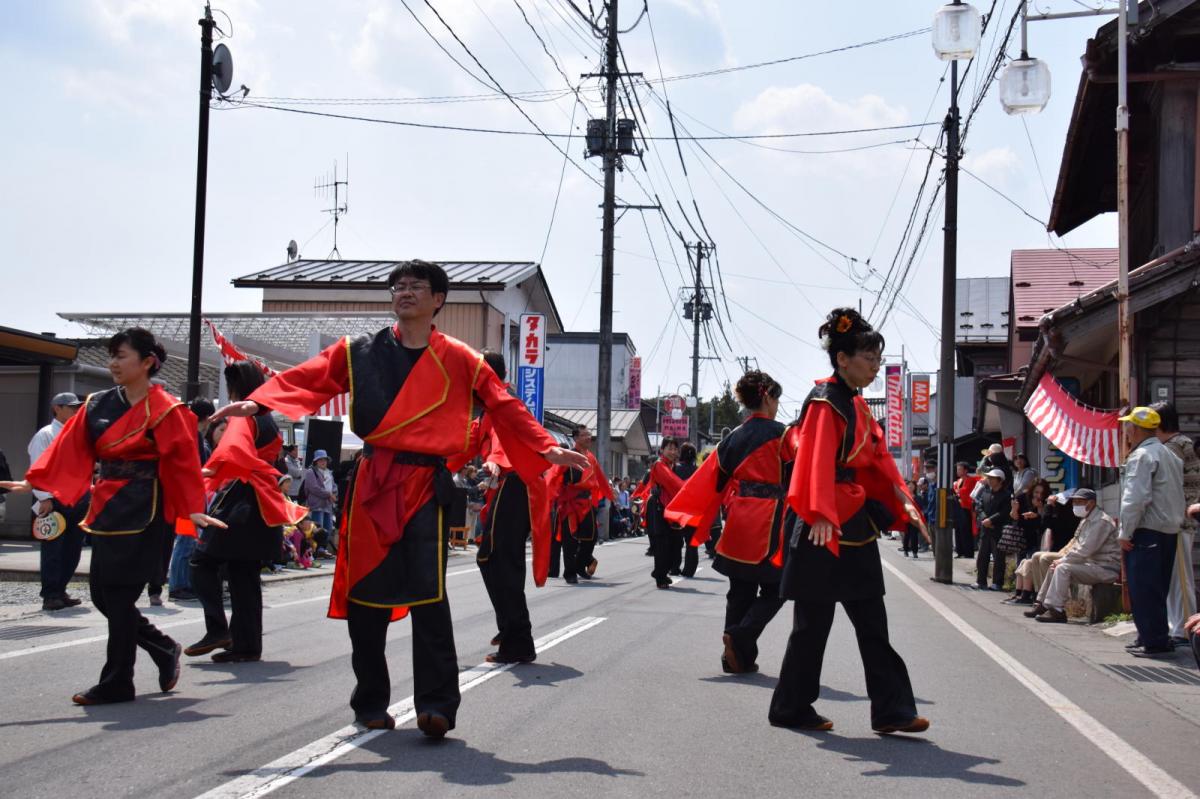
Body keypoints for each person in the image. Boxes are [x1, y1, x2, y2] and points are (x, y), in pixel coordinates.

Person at [207, 260, 586, 736]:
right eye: (398, 286)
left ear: (438, 300)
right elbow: (307, 379)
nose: (404, 292)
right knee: (366, 598)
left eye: (416, 286)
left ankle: (438, 704)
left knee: (430, 596)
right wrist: (259, 401)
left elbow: (503, 401)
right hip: (371, 483)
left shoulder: (463, 359)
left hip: (425, 486)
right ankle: (369, 702)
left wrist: (543, 445)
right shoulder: (358, 352)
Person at [1, 328, 224, 705]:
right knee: (103, 597)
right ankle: (162, 646)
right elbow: (68, 451)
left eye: (121, 356)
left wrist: (193, 510)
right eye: (112, 356)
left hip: (147, 508)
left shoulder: (167, 408)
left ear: (147, 361)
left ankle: (118, 681)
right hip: (106, 505)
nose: (113, 363)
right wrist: (38, 483)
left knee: (120, 597)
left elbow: (183, 463)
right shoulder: (97, 404)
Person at [769, 308, 929, 734]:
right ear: (842, 359)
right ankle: (790, 707)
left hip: (851, 520)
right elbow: (814, 457)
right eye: (868, 357)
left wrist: (902, 498)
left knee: (872, 621)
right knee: (812, 626)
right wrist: (820, 510)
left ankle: (892, 710)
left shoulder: (855, 403)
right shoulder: (826, 402)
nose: (876, 365)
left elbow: (878, 462)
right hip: (823, 523)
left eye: (878, 358)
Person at [666, 370, 788, 675]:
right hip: (770, 517)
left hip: (738, 518)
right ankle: (740, 637)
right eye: (776, 398)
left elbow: (709, 480)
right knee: (778, 589)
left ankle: (736, 659)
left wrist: (685, 511)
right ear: (768, 396)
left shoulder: (732, 437)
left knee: (740, 591)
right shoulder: (784, 434)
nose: (777, 404)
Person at [185, 361, 308, 663]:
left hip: (243, 498)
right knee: (244, 575)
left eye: (232, 384)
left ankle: (218, 628)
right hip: (262, 501)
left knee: (202, 560)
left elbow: (232, 452)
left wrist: (203, 471)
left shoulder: (244, 414)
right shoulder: (268, 418)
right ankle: (246, 645)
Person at [447, 349, 549, 663]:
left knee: (502, 561)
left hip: (516, 484)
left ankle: (517, 638)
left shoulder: (504, 402)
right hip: (506, 488)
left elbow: (504, 444)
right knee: (490, 559)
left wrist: (493, 463)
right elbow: (465, 446)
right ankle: (511, 628)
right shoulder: (487, 411)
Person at [1117, 406, 1186, 658]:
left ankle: (1153, 641)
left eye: (1127, 426)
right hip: (1169, 529)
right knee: (1158, 587)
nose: (1125, 430)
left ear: (1134, 429)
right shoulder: (1170, 455)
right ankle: (1152, 636)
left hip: (1147, 529)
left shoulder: (1141, 456)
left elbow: (1136, 498)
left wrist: (1125, 531)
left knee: (1143, 587)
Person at [1019, 489, 1119, 623]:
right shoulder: (1086, 520)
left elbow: (1085, 550)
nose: (1075, 505)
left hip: (1105, 568)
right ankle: (1042, 603)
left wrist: (1062, 560)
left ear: (1091, 503)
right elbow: (1075, 542)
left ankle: (1057, 610)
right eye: (1074, 502)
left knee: (1062, 567)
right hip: (1091, 565)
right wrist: (1060, 559)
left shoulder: (1101, 521)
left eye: (1079, 502)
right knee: (1054, 566)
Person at [28, 392, 88, 611]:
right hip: (54, 499)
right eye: (70, 407)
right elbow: (37, 468)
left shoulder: (76, 434)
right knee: (54, 548)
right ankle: (50, 593)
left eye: (77, 408)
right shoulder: (45, 435)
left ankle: (61, 589)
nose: (75, 411)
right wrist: (44, 497)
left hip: (78, 497)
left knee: (73, 548)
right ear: (57, 408)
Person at [1151, 401, 1199, 647]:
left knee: (1180, 577)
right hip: (1174, 520)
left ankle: (1185, 628)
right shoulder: (1173, 444)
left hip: (1179, 521)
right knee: (1173, 577)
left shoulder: (1176, 445)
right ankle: (1177, 625)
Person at [548, 425, 613, 585]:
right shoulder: (567, 456)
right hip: (569, 502)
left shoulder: (591, 457)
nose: (588, 437)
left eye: (589, 434)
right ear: (576, 438)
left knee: (591, 537)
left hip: (586, 503)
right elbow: (554, 476)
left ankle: (578, 565)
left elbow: (600, 477)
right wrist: (549, 497)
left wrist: (610, 493)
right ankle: (569, 573)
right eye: (584, 435)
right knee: (569, 540)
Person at [1009, 490, 1079, 605]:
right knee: (1026, 561)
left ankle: (1035, 596)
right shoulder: (1061, 517)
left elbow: (1047, 523)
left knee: (1035, 559)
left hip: (1062, 553)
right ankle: (1027, 594)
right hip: (1058, 551)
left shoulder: (1066, 519)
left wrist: (1047, 508)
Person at [645, 438, 685, 589]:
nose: (673, 451)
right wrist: (689, 489)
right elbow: (673, 483)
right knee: (663, 544)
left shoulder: (673, 465)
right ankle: (660, 577)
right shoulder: (659, 465)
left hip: (671, 509)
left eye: (675, 449)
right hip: (659, 508)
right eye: (669, 448)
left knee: (675, 544)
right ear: (662, 450)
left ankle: (659, 572)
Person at [973, 469, 1012, 591]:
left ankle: (997, 583)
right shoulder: (985, 492)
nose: (989, 480)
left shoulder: (1006, 495)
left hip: (998, 529)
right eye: (989, 477)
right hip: (986, 529)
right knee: (982, 556)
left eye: (992, 478)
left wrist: (991, 520)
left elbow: (1005, 512)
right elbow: (979, 507)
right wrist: (985, 519)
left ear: (1000, 480)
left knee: (998, 557)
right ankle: (981, 581)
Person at [674, 442, 701, 577]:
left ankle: (674, 567)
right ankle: (689, 570)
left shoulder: (676, 468)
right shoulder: (698, 471)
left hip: (678, 509)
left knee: (676, 540)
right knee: (691, 542)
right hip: (693, 510)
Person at [303, 450, 338, 535]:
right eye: (320, 460)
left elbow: (334, 486)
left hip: (328, 506)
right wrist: (329, 494)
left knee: (328, 530)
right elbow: (314, 488)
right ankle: (317, 548)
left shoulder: (329, 473)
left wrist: (334, 494)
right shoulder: (310, 472)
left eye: (324, 459)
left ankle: (324, 547)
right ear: (316, 461)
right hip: (316, 506)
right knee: (318, 532)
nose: (323, 462)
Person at [952, 461, 979, 558]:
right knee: (958, 529)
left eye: (960, 469)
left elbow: (965, 492)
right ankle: (960, 551)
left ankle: (968, 552)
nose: (958, 471)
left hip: (966, 507)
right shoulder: (958, 481)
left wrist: (956, 490)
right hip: (958, 507)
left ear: (966, 470)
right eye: (957, 469)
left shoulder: (970, 480)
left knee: (965, 530)